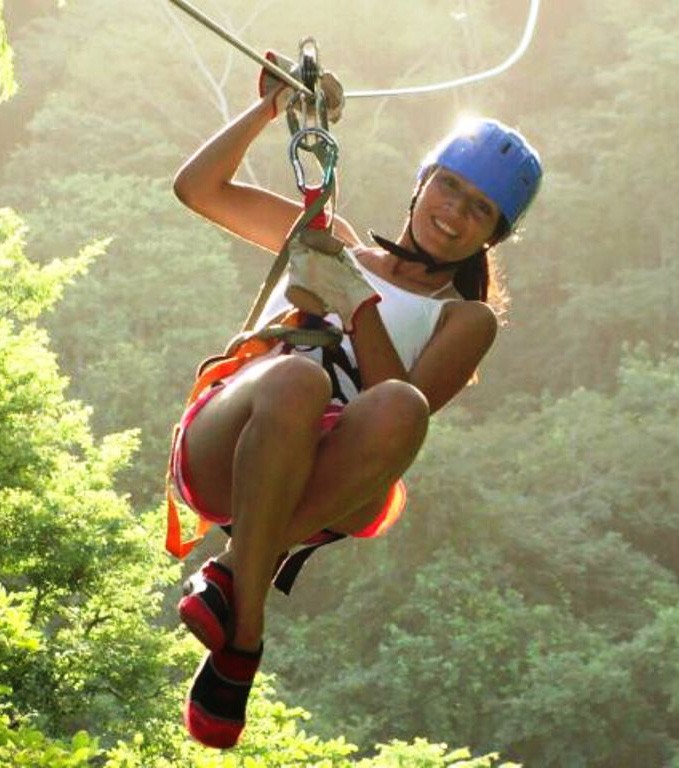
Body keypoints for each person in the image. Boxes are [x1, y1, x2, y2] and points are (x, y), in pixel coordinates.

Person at [169, 59, 542, 749]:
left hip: (323, 486)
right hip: (227, 442)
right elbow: (197, 188)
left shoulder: (466, 320)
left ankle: (237, 579)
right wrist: (270, 108)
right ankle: (243, 625)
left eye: (478, 209)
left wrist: (352, 299)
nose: (453, 213)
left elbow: (397, 419)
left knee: (399, 405)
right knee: (297, 382)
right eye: (449, 187)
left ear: (493, 234)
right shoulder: (325, 235)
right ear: (422, 182)